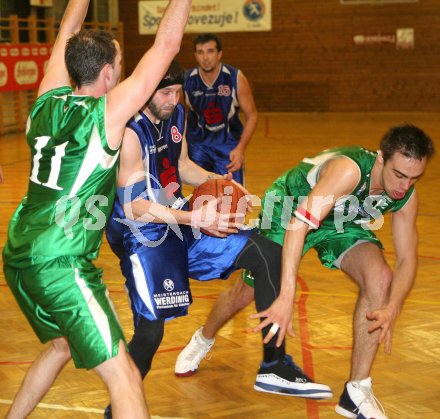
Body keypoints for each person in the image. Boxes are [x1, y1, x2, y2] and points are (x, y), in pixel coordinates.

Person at [102, 60, 332, 418]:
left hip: (180, 217)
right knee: (150, 336)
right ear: (145, 90)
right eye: (165, 91)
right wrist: (195, 217)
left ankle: (273, 364)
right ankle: (116, 411)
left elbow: (181, 167)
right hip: (144, 234)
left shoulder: (175, 113)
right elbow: (134, 206)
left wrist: (220, 181)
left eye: (178, 91)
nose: (174, 98)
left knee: (266, 252)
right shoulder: (129, 132)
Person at [1, 1, 191, 418]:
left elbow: (67, 27)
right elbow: (168, 44)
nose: (123, 71)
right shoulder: (105, 115)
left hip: (19, 252)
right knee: (124, 376)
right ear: (108, 73)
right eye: (120, 63)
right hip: (60, 259)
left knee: (62, 345)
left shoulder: (46, 98)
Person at [177, 124, 435, 419]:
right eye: (399, 174)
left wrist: (392, 307)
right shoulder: (349, 171)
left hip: (338, 221)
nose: (404, 185)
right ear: (381, 159)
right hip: (290, 208)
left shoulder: (405, 196)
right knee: (247, 292)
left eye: (414, 178)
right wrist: (286, 296)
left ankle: (356, 391)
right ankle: (204, 337)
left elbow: (407, 260)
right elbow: (298, 225)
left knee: (381, 278)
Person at [184, 33, 257, 185]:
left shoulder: (235, 78)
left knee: (233, 197)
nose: (205, 57)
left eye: (210, 51)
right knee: (203, 197)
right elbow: (178, 116)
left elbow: (252, 116)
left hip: (228, 147)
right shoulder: (186, 80)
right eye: (200, 52)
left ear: (219, 54)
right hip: (198, 147)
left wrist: (240, 149)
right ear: (195, 55)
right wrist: (181, 149)